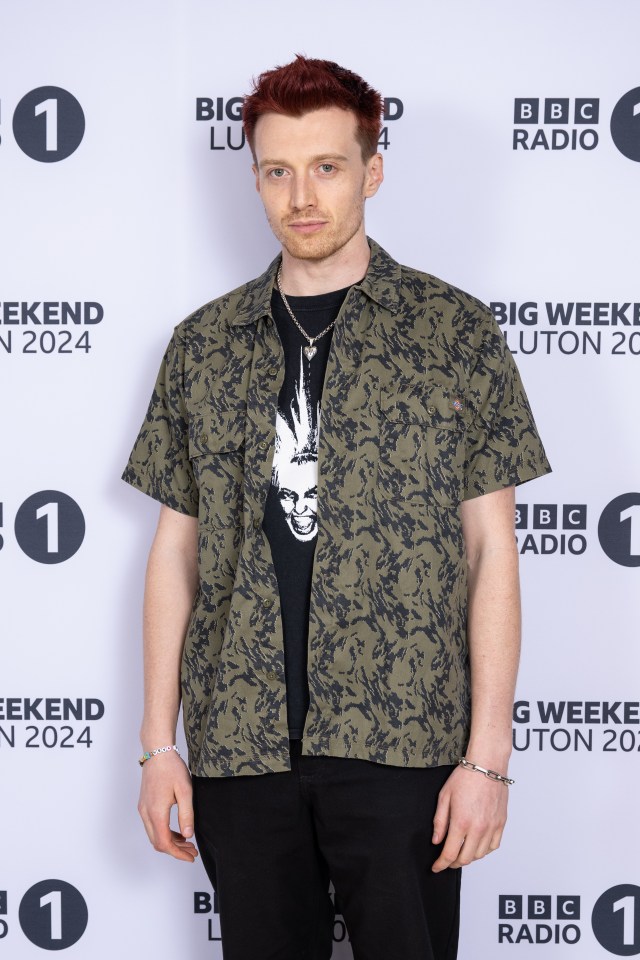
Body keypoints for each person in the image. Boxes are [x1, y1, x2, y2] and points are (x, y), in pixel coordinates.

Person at [123, 55, 551, 960]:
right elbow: (175, 554)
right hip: (240, 748)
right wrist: (158, 744)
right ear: (255, 179)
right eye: (277, 170)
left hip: (404, 741)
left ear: (373, 169)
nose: (301, 195)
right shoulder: (203, 344)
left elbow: (491, 558)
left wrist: (486, 760)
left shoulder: (454, 333)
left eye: (327, 166)